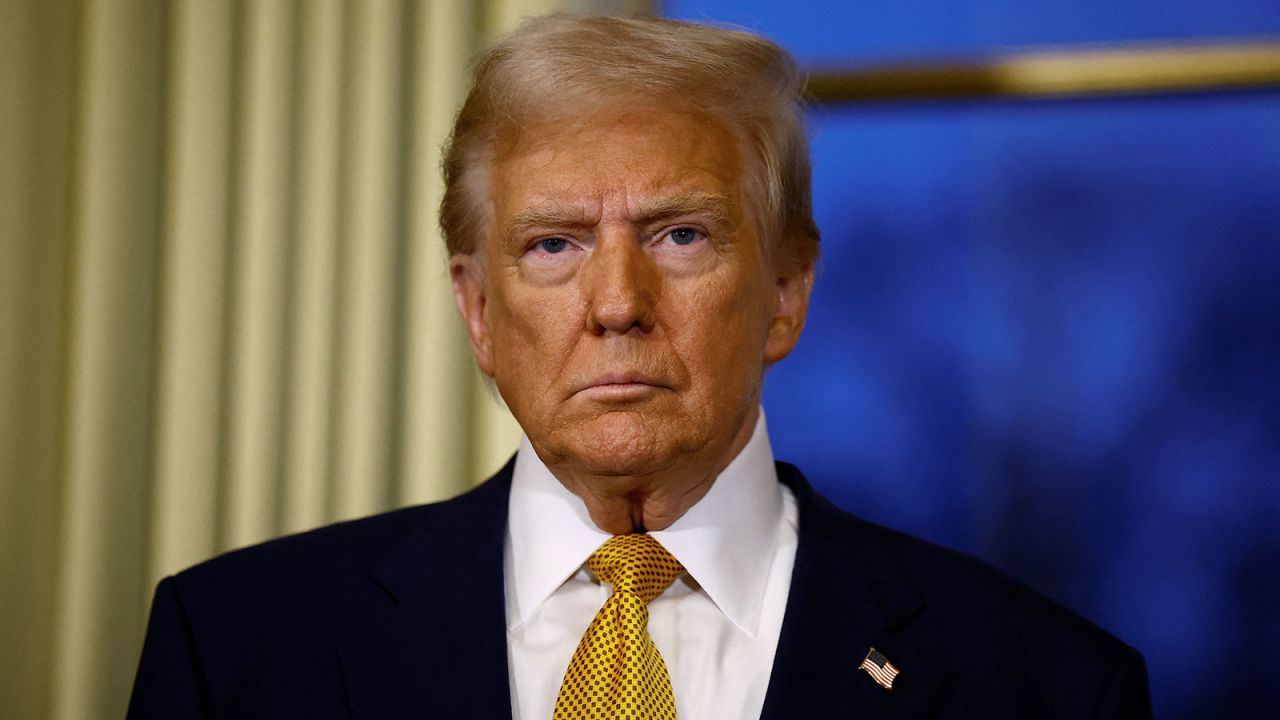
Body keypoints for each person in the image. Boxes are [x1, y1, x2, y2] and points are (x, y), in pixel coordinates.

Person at [127, 14, 1151, 719]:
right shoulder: (237, 652)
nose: (616, 304)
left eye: (678, 236)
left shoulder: (1043, 686)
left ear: (786, 293)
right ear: (478, 310)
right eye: (552, 245)